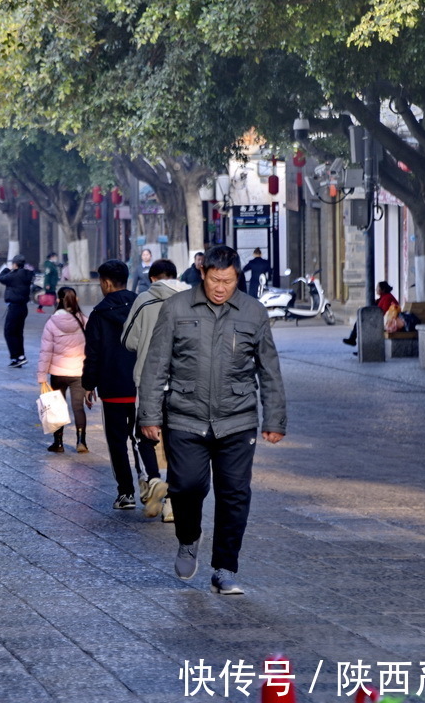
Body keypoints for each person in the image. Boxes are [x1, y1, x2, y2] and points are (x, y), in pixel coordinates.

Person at [138, 245, 287, 595]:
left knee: (234, 494)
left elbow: (269, 370)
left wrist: (275, 417)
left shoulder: (254, 313)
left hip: (237, 420)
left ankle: (224, 568)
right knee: (186, 486)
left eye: (229, 281)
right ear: (202, 274)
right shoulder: (176, 308)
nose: (221, 288)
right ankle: (188, 538)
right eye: (215, 280)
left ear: (238, 278)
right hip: (186, 417)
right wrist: (149, 413)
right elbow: (156, 363)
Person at [121, 259, 189, 521]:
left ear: (152, 279)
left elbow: (128, 340)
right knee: (177, 440)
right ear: (175, 276)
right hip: (183, 382)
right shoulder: (189, 299)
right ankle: (172, 503)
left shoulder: (144, 300)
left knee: (143, 436)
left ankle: (152, 479)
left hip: (150, 380)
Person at [81, 260, 142, 511]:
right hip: (141, 387)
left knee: (117, 443)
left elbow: (92, 353)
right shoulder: (142, 306)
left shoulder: (98, 314)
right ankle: (149, 483)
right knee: (143, 440)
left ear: (105, 282)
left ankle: (126, 493)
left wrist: (88, 384)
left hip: (113, 388)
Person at [36, 286, 88, 453]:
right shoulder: (83, 321)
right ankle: (82, 442)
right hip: (79, 372)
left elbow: (46, 351)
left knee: (57, 406)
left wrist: (42, 376)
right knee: (78, 407)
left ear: (58, 300)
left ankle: (58, 443)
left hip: (58, 373)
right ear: (76, 300)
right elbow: (91, 348)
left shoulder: (52, 322)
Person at [0, 255, 32, 367]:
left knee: (9, 332)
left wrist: (7, 269)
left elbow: (1, 277)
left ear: (15, 264)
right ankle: (20, 356)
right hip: (23, 307)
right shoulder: (27, 274)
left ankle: (15, 357)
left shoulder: (13, 276)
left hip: (14, 307)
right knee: (18, 332)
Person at [342, 280, 400, 346]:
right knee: (360, 321)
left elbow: (383, 312)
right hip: (383, 319)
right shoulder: (383, 297)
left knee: (363, 323)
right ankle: (354, 341)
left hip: (386, 321)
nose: (376, 289)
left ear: (383, 289)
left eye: (378, 288)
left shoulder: (387, 297)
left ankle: (358, 343)